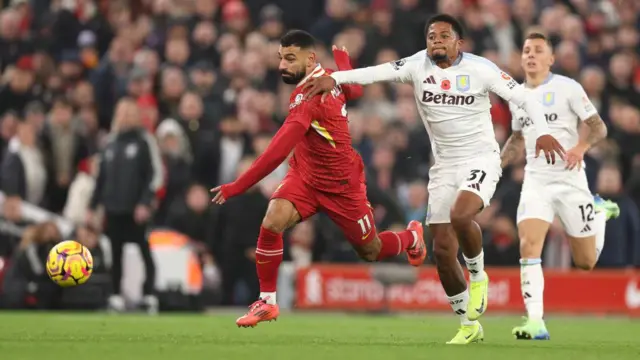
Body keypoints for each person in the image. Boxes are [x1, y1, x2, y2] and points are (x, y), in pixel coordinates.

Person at [303, 14, 565, 344]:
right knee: (441, 250)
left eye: (444, 35)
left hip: (481, 158)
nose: (436, 40)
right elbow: (377, 73)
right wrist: (336, 78)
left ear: (460, 43)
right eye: (431, 36)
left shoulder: (480, 69)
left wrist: (541, 133)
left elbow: (526, 97)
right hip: (443, 166)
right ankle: (468, 325)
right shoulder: (417, 65)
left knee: (461, 214)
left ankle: (478, 275)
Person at [210, 30, 427, 328]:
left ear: (310, 58)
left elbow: (276, 152)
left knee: (371, 250)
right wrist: (344, 67)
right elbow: (354, 92)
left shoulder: (309, 95)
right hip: (306, 176)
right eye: (280, 59)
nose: (282, 66)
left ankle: (412, 237)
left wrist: (237, 185)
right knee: (272, 221)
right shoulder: (324, 79)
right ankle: (267, 302)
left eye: (290, 58)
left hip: (342, 186)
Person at [500, 32, 620, 340]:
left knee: (585, 262)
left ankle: (598, 214)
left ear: (550, 59)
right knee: (528, 244)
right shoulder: (516, 96)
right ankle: (535, 322)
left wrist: (580, 147)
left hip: (569, 180)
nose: (531, 55)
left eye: (538, 50)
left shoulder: (567, 87)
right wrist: (496, 165)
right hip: (536, 181)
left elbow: (599, 127)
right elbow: (516, 139)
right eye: (526, 50)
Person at [87, 98, 163, 314]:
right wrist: (93, 206)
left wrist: (145, 202)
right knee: (115, 253)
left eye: (130, 112)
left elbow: (153, 174)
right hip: (113, 208)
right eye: (122, 112)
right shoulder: (109, 143)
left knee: (144, 251)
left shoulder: (144, 141)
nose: (126, 116)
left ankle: (149, 294)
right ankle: (115, 295)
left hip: (136, 209)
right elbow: (101, 179)